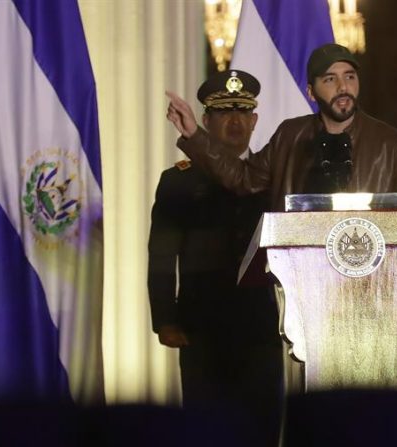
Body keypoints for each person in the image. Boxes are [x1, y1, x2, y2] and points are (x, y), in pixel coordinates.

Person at [148, 70, 283, 447]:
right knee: (206, 431)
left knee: (263, 428)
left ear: (255, 120)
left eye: (243, 112)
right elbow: (161, 254)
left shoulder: (272, 176)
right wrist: (165, 319)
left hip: (260, 324)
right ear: (206, 121)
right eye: (224, 113)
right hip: (200, 327)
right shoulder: (178, 180)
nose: (235, 121)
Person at [166, 43, 397, 211]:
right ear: (311, 92)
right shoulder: (290, 136)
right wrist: (194, 134)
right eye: (330, 79)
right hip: (302, 278)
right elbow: (243, 179)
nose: (343, 88)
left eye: (350, 77)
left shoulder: (392, 143)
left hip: (369, 279)